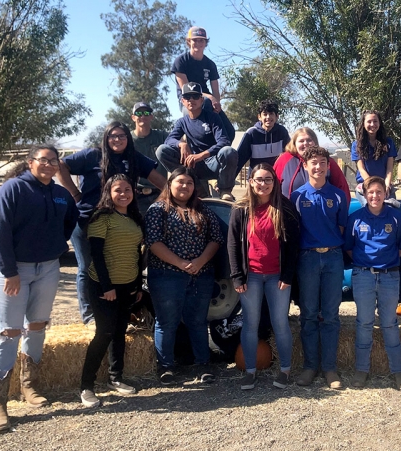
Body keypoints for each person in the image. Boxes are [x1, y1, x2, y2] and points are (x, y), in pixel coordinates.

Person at [0, 145, 78, 432]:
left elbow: (69, 223)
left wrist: (54, 246)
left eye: (54, 161)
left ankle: (29, 386)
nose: (49, 165)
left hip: (48, 268)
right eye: (43, 160)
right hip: (14, 271)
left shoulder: (62, 195)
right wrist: (10, 272)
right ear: (30, 163)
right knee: (10, 331)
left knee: (37, 326)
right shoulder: (12, 189)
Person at [58, 121, 166, 327]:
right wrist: (74, 193)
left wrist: (165, 200)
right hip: (88, 219)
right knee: (86, 267)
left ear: (128, 138)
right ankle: (89, 314)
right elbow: (61, 165)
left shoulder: (134, 158)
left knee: (118, 266)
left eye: (122, 136)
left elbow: (161, 181)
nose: (117, 140)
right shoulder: (92, 155)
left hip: (121, 223)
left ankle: (117, 310)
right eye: (112, 136)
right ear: (106, 138)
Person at [145, 167, 224, 385]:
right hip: (166, 275)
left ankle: (202, 364)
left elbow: (215, 239)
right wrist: (181, 263)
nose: (185, 186)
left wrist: (199, 262)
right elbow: (154, 242)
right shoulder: (158, 209)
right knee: (167, 322)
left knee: (198, 322)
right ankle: (166, 366)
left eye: (189, 183)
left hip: (201, 274)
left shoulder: (203, 210)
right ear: (169, 184)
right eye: (180, 182)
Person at [228, 163, 300, 390]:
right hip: (252, 277)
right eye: (259, 179)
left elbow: (293, 245)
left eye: (268, 179)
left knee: (280, 323)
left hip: (278, 276)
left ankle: (285, 370)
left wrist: (288, 275)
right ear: (251, 182)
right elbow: (232, 244)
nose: (263, 184)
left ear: (274, 182)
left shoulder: (285, 208)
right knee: (251, 323)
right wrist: (237, 276)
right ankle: (250, 371)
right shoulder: (240, 208)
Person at [80, 174, 144, 408]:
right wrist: (107, 287)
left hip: (128, 285)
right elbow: (95, 254)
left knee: (119, 332)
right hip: (103, 285)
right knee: (104, 333)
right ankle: (86, 386)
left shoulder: (134, 218)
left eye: (128, 189)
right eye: (118, 190)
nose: (124, 194)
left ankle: (115, 378)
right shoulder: (102, 217)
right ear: (109, 192)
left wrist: (137, 285)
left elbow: (136, 254)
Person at [290, 146, 349, 389]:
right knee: (309, 314)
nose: (318, 167)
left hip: (333, 258)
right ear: (305, 165)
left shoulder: (337, 195)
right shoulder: (296, 197)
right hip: (308, 260)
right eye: (313, 162)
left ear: (328, 165)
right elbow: (294, 232)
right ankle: (309, 367)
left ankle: (330, 368)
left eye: (322, 162)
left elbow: (342, 228)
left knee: (331, 315)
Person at [344, 176, 401, 390]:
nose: (375, 196)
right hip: (363, 276)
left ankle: (398, 371)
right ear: (364, 193)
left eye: (379, 192)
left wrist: (385, 265)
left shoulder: (396, 217)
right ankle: (361, 370)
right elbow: (350, 248)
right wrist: (367, 265)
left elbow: (400, 247)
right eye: (370, 192)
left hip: (390, 276)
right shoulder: (355, 219)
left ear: (386, 193)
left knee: (389, 322)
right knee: (364, 322)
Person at [156, 82, 238, 201]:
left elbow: (224, 141)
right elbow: (169, 140)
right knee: (162, 150)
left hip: (213, 163)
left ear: (201, 100)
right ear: (182, 101)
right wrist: (181, 144)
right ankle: (197, 189)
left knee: (228, 151)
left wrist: (202, 155)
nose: (191, 100)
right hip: (193, 166)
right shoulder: (181, 122)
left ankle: (224, 190)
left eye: (195, 97)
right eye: (187, 97)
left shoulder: (212, 117)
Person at [170, 26, 235, 141]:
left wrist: (217, 104)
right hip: (188, 101)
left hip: (207, 103)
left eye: (201, 40)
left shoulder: (210, 64)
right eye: (195, 40)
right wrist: (210, 97)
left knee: (229, 132)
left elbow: (215, 90)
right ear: (189, 41)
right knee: (205, 105)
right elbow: (186, 89)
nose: (198, 43)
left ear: (205, 43)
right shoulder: (180, 61)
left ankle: (219, 155)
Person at [274, 127, 351, 202]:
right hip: (290, 212)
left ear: (315, 142)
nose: (305, 143)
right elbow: (272, 187)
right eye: (301, 141)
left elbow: (343, 189)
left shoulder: (327, 161)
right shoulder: (284, 160)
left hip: (322, 212)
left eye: (309, 140)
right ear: (294, 143)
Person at [350, 110, 397, 206]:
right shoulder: (356, 145)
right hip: (365, 186)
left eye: (375, 121)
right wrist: (373, 186)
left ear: (379, 123)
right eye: (369, 121)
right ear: (363, 124)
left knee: (390, 208)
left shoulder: (388, 142)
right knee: (371, 207)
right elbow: (361, 169)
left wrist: (386, 185)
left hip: (385, 186)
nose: (372, 124)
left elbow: (389, 168)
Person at [130, 102, 169, 214]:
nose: (143, 116)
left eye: (146, 113)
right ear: (133, 117)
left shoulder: (161, 136)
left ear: (151, 117)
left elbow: (177, 140)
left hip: (161, 193)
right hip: (136, 196)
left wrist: (183, 144)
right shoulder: (127, 140)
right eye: (139, 113)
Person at [236, 99, 290, 175]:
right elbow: (240, 158)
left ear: (277, 116)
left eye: (271, 114)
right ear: (259, 117)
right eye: (265, 114)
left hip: (276, 178)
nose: (268, 117)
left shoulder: (282, 132)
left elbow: (290, 154)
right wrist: (228, 182)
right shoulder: (251, 133)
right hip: (256, 179)